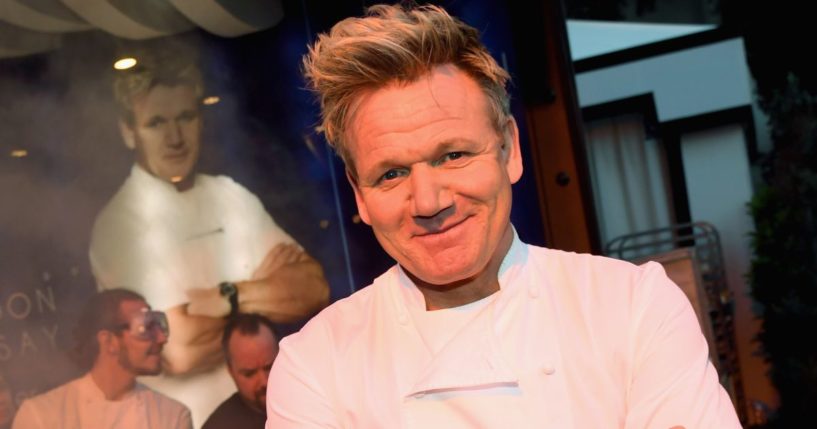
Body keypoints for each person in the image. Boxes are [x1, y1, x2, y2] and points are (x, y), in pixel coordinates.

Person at [266, 4, 743, 428]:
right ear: (360, 196)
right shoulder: (315, 367)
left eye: (453, 155)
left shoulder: (634, 308)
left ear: (510, 150)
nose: (429, 202)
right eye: (391, 173)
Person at [89, 45, 329, 426]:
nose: (174, 138)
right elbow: (178, 348)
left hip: (272, 413)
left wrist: (225, 298)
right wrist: (262, 291)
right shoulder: (120, 223)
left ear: (201, 121)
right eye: (156, 123)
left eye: (185, 117)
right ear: (129, 132)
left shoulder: (229, 193)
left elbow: (314, 289)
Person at [12, 289, 192, 429]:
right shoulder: (41, 416)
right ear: (108, 341)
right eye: (146, 328)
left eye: (159, 325)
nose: (162, 338)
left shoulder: (171, 416)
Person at [202, 313, 279, 429]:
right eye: (249, 373)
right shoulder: (219, 426)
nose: (264, 381)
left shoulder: (309, 393)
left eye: (269, 367)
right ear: (231, 372)